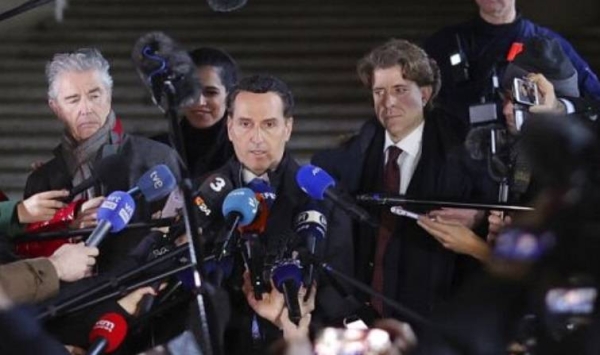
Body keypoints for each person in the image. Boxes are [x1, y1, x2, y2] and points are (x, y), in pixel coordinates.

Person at [312, 39, 485, 319]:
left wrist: (479, 216)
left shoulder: (466, 154)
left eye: (400, 90)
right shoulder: (350, 156)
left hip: (436, 316)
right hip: (365, 319)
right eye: (378, 91)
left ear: (425, 94)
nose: (388, 102)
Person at [199, 74, 354, 354]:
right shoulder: (205, 195)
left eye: (269, 124)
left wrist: (295, 325)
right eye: (246, 124)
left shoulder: (323, 196)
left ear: (288, 128)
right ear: (230, 127)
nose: (257, 138)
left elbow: (338, 296)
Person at [22, 48, 180, 270]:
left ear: (109, 94)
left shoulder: (156, 158)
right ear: (55, 108)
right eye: (73, 99)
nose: (86, 109)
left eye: (95, 95)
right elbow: (29, 256)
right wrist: (70, 229)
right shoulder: (42, 181)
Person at [424, 0, 600, 135]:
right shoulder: (443, 44)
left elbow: (594, 101)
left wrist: (558, 107)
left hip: (527, 164)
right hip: (457, 162)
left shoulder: (548, 46)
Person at [154, 47, 237, 178]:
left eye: (211, 92)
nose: (199, 102)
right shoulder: (157, 150)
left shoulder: (248, 150)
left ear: (231, 95)